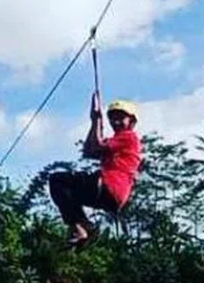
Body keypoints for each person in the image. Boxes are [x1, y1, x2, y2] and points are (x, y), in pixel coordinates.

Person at [48, 93, 142, 247]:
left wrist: (97, 120)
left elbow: (97, 145)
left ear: (131, 121)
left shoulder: (129, 137)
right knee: (66, 193)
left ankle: (80, 226)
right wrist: (94, 123)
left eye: (121, 118)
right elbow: (89, 151)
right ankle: (83, 226)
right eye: (113, 118)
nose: (116, 122)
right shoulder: (116, 141)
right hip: (111, 197)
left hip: (109, 186)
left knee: (58, 179)